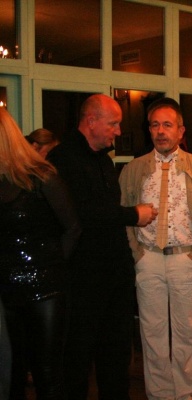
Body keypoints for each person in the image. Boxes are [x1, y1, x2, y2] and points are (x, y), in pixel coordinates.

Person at [47, 93, 157, 400]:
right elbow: (80, 213)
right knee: (77, 356)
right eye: (113, 124)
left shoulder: (105, 161)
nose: (118, 131)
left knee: (116, 355)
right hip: (82, 277)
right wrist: (133, 215)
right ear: (91, 121)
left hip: (114, 275)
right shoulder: (62, 159)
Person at [119, 97, 192, 400]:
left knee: (186, 332)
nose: (160, 131)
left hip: (185, 259)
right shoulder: (133, 169)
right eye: (155, 125)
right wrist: (137, 255)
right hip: (148, 259)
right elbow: (123, 215)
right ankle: (160, 394)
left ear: (180, 130)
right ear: (149, 130)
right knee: (152, 333)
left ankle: (185, 393)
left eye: (167, 125)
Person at [0, 107, 81, 399]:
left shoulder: (42, 177)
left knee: (47, 372)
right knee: (12, 373)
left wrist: (50, 268)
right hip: (6, 289)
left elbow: (73, 227)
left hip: (46, 289)